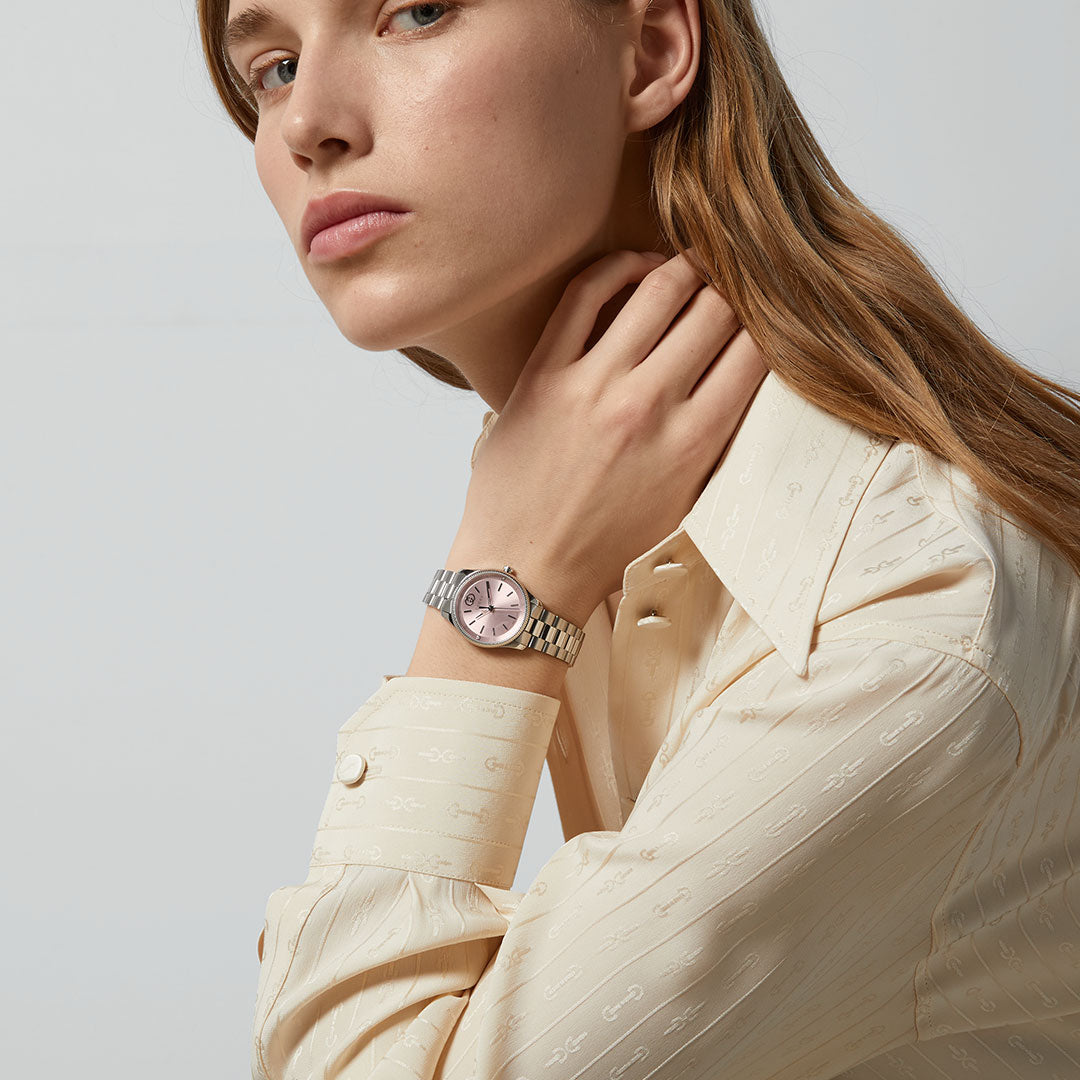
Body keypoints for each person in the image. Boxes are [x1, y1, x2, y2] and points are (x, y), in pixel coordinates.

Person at [196, 0, 1080, 1076]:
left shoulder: (905, 630)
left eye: (414, 12)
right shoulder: (628, 520)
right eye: (273, 67)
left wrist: (496, 593)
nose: (307, 126)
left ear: (654, 51)